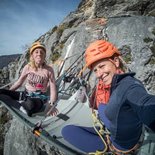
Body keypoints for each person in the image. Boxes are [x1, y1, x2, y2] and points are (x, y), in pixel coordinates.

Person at [61, 40, 155, 154]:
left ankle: (110, 147)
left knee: (67, 131)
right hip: (126, 130)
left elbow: (146, 104)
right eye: (95, 70)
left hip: (120, 145)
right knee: (101, 107)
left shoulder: (129, 87)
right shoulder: (122, 81)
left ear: (115, 61)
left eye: (101, 66)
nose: (99, 74)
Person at [0, 42, 57, 116]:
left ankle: (23, 106)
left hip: (38, 98)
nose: (39, 54)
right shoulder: (28, 67)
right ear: (32, 55)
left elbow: (53, 88)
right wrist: (9, 93)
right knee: (1, 92)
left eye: (42, 52)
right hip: (25, 94)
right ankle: (22, 107)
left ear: (44, 56)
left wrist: (51, 104)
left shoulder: (49, 70)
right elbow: (19, 82)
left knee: (30, 104)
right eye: (36, 52)